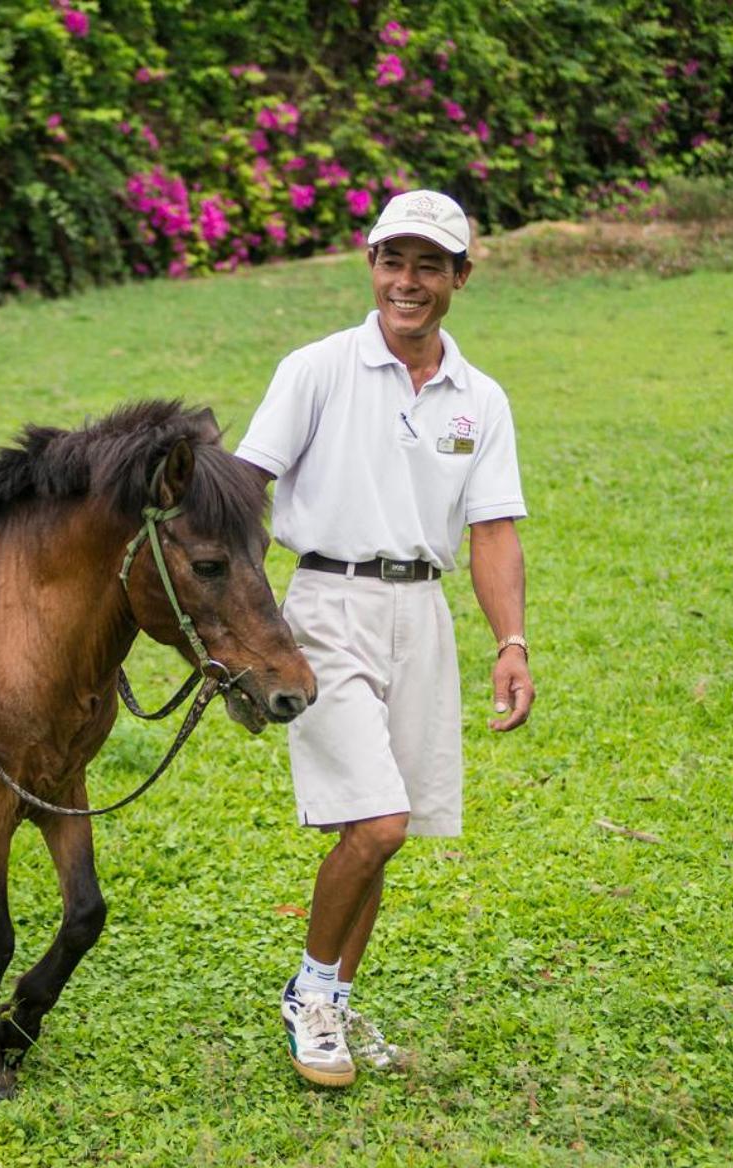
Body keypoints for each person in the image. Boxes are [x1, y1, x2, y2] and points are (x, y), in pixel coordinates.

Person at [235, 189, 534, 1087]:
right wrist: (241, 630)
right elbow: (243, 490)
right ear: (371, 266)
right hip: (325, 607)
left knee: (390, 829)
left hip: (424, 616)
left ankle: (334, 1000)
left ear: (460, 279)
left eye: (429, 266)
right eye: (393, 262)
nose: (408, 283)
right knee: (378, 822)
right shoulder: (316, 369)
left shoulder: (479, 399)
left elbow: (493, 530)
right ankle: (311, 996)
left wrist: (511, 641)